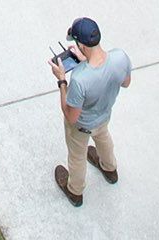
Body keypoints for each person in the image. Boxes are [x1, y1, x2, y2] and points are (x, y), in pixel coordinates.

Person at [51, 16, 132, 206]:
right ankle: (110, 169)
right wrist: (85, 61)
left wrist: (62, 80)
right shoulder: (120, 56)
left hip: (82, 127)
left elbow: (71, 116)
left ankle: (75, 191)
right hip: (104, 116)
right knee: (104, 139)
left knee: (77, 156)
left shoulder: (79, 79)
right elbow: (126, 82)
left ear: (82, 46)